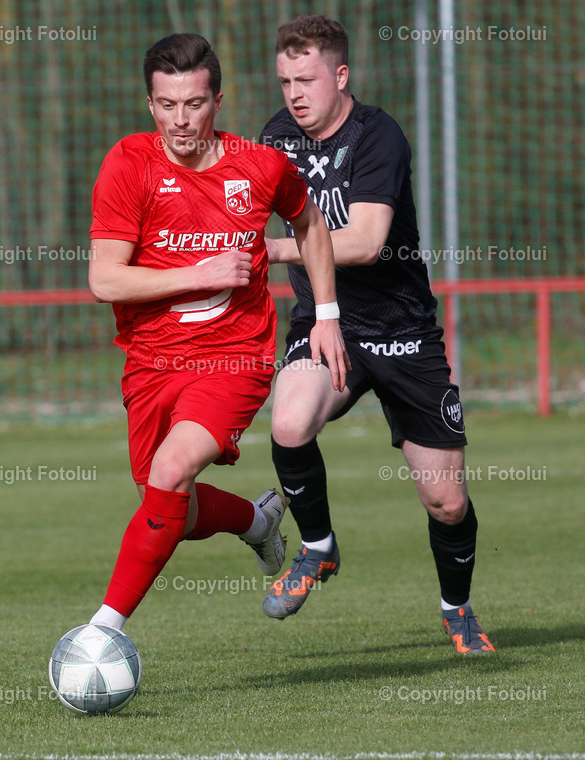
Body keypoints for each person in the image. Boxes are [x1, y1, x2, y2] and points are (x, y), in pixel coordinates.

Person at [86, 32, 348, 632]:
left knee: (171, 471)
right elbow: (104, 279)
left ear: (218, 101)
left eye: (194, 103)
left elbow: (310, 225)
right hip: (151, 360)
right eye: (167, 105)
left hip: (234, 356)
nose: (181, 120)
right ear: (150, 104)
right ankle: (257, 521)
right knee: (167, 509)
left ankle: (102, 632)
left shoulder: (260, 166)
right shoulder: (129, 164)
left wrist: (327, 315)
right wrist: (197, 273)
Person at [259, 15, 494, 654]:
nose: (294, 96)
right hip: (325, 322)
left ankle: (456, 608)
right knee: (289, 421)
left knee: (446, 502)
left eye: (306, 80)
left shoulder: (378, 135)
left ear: (340, 76)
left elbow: (364, 242)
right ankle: (318, 547)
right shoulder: (275, 138)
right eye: (285, 82)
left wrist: (272, 249)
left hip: (402, 331)